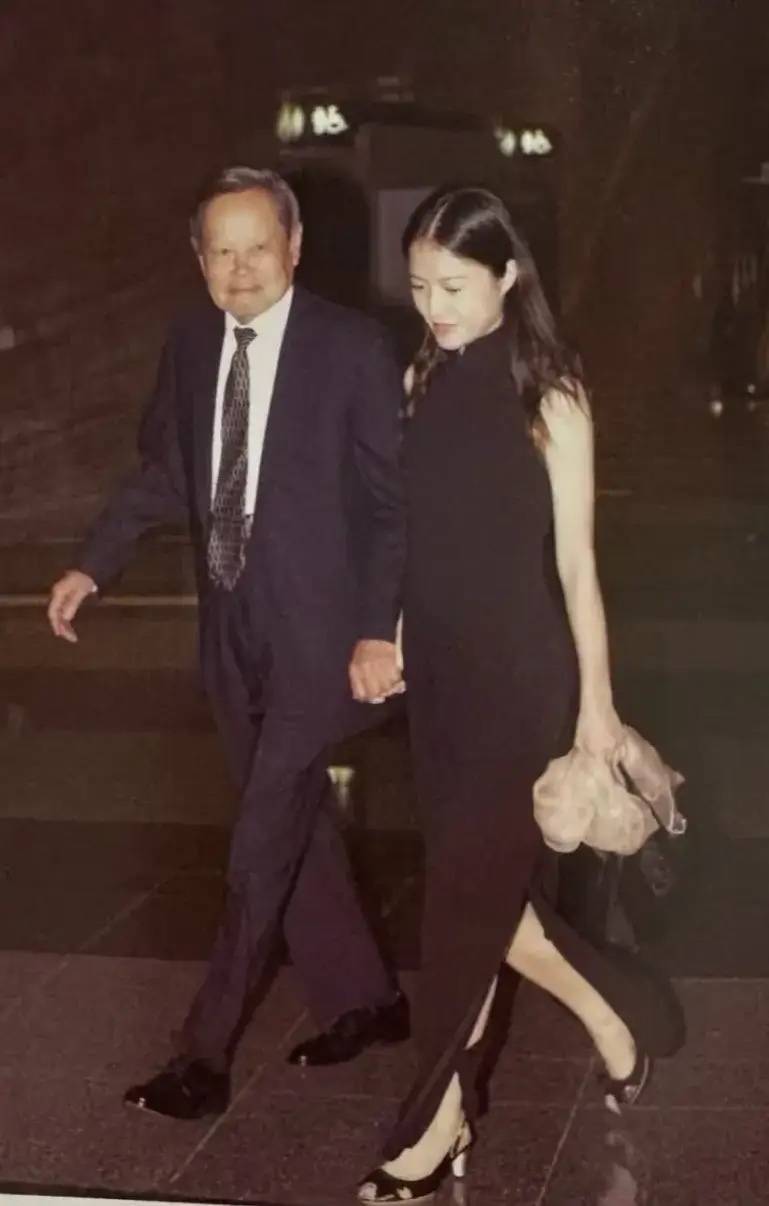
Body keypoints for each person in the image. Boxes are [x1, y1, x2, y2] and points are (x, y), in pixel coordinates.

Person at [47, 166, 410, 1120]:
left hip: (322, 636)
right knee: (289, 819)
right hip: (230, 628)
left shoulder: (351, 347)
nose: (241, 269)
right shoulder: (192, 339)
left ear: (295, 248)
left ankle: (200, 1057)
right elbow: (170, 470)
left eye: (258, 248)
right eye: (222, 251)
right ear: (198, 258)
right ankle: (366, 999)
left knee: (258, 841)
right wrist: (94, 564)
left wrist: (376, 630)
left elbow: (391, 505)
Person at [358, 187, 684, 1202]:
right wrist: (395, 634)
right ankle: (613, 1019)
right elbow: (420, 535)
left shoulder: (551, 392)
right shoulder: (421, 376)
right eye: (419, 287)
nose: (435, 307)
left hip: (519, 677)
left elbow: (578, 565)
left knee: (460, 907)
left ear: (507, 275)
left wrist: (597, 707)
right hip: (440, 678)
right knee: (488, 900)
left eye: (454, 286)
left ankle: (432, 1124)